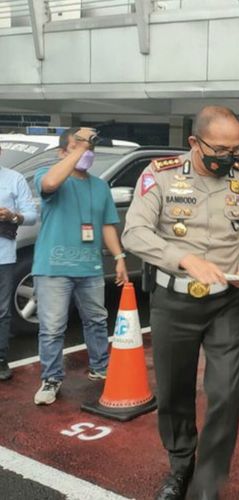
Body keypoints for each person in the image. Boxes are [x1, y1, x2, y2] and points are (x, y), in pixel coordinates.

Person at [122, 106, 239, 500]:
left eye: (236, 150)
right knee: (174, 392)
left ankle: (208, 482)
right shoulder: (160, 175)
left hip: (227, 302)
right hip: (174, 302)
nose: (229, 158)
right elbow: (134, 233)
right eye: (220, 150)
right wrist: (184, 259)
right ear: (194, 142)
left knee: (225, 392)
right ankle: (181, 464)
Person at [32, 127, 129, 405]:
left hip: (90, 268)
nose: (87, 151)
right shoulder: (48, 175)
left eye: (90, 147)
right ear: (63, 152)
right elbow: (50, 184)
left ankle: (101, 366)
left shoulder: (100, 186)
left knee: (97, 320)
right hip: (53, 269)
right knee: (52, 327)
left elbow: (107, 224)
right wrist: (78, 149)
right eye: (78, 146)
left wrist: (119, 258)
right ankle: (51, 378)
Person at [0, 146, 38, 381]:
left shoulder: (14, 179)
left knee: (2, 311)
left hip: (3, 256)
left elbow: (31, 215)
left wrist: (12, 216)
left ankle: (1, 359)